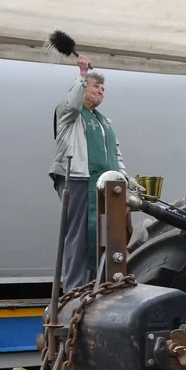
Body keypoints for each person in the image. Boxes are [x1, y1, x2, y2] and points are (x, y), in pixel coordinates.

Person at [49, 54, 138, 290]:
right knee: (79, 237)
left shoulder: (104, 122)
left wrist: (125, 181)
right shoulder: (69, 114)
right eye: (95, 86)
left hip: (106, 188)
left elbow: (116, 154)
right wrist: (81, 74)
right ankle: (74, 289)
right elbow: (73, 101)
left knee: (106, 237)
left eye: (103, 88)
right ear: (82, 89)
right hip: (79, 180)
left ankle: (101, 286)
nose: (101, 91)